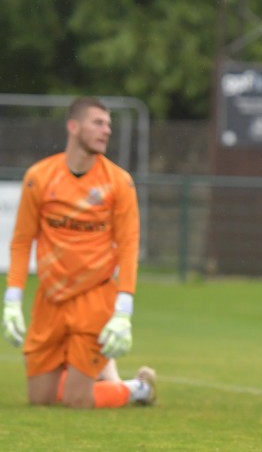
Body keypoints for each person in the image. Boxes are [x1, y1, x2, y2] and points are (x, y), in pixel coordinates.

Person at [2, 96, 157, 408]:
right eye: (98, 123)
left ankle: (139, 389)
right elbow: (21, 242)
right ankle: (105, 375)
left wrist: (123, 311)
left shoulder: (119, 182)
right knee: (40, 399)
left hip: (94, 297)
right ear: (73, 126)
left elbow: (128, 247)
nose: (106, 130)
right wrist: (12, 301)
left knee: (77, 400)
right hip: (51, 297)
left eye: (109, 125)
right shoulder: (39, 178)